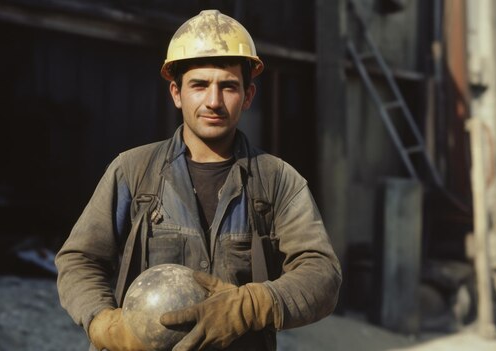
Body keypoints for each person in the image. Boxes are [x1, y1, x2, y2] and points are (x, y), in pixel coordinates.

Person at [55, 9, 342, 351]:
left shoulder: (278, 181)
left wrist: (250, 306)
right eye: (200, 85)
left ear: (248, 96)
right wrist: (103, 323)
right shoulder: (132, 171)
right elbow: (79, 259)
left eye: (229, 87)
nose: (213, 101)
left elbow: (322, 273)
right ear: (177, 93)